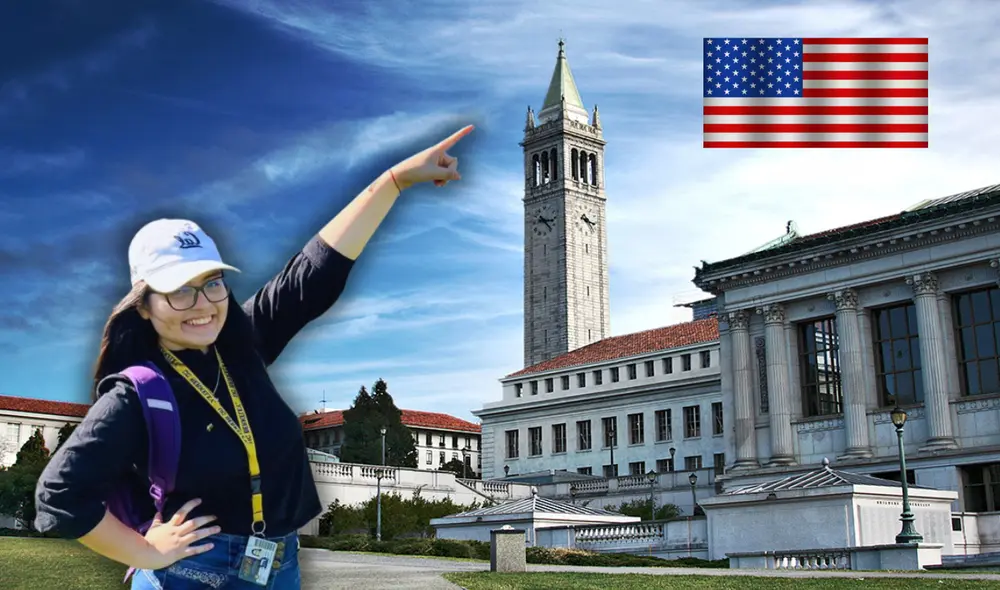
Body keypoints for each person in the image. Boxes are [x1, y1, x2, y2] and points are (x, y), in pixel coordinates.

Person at [34, 125, 474, 589]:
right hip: (194, 572)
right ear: (143, 305)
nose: (203, 303)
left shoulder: (240, 344)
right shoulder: (137, 391)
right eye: (179, 291)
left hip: (276, 563)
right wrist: (145, 550)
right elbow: (60, 496)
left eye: (212, 282)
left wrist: (394, 181)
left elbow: (312, 272)